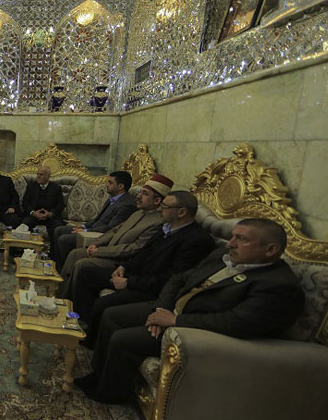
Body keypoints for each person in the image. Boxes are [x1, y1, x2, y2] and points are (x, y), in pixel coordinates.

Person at [76, 218, 305, 404]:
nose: (230, 244)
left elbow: (236, 322)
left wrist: (175, 321)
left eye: (241, 239)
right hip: (172, 308)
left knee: (123, 339)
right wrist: (162, 309)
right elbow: (179, 278)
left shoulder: (278, 286)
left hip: (195, 331)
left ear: (270, 249)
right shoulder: (222, 256)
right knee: (112, 315)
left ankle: (108, 393)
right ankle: (99, 374)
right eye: (232, 236)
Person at [75, 191, 216, 347]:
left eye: (165, 206)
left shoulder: (196, 240)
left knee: (103, 305)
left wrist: (128, 282)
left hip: (149, 290)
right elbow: (142, 253)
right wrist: (124, 267)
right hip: (135, 276)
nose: (160, 209)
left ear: (181, 212)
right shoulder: (166, 228)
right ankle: (82, 323)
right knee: (87, 273)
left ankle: (90, 343)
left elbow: (171, 279)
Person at [60, 173, 174, 301]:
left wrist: (100, 251)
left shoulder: (158, 222)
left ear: (157, 201)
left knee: (82, 265)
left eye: (145, 194)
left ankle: (71, 304)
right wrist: (96, 243)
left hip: (121, 260)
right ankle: (60, 295)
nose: (138, 196)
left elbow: (134, 248)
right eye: (140, 192)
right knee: (75, 254)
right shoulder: (138, 213)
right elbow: (115, 230)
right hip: (108, 251)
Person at [52, 171, 136, 270]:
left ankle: (62, 270)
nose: (106, 185)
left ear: (121, 186)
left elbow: (111, 228)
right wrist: (83, 226)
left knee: (64, 239)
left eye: (110, 182)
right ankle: (54, 265)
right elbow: (97, 219)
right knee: (59, 230)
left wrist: (86, 231)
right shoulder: (112, 198)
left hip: (99, 235)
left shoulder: (127, 205)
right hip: (93, 229)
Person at [20, 166, 65, 241]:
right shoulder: (31, 186)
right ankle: (27, 247)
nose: (38, 176)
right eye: (37, 174)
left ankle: (53, 248)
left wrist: (50, 214)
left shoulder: (56, 188)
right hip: (34, 215)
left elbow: (61, 205)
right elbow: (25, 202)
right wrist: (33, 212)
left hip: (50, 217)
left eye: (41, 174)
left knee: (57, 227)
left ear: (48, 176)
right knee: (25, 224)